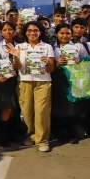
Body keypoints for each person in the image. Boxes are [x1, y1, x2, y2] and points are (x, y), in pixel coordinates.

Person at [9, 21, 55, 152]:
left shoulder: (47, 47)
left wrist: (46, 62)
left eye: (35, 30)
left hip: (43, 82)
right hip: (24, 81)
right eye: (29, 30)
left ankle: (42, 140)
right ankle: (32, 135)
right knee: (27, 112)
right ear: (25, 32)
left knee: (42, 112)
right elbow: (17, 67)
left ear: (40, 32)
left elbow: (51, 69)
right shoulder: (20, 47)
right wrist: (16, 57)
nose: (32, 33)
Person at [51, 24, 89, 144]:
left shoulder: (79, 47)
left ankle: (73, 133)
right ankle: (60, 133)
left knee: (73, 107)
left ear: (71, 34)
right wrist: (57, 64)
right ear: (56, 34)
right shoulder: (51, 47)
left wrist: (79, 64)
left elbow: (88, 62)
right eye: (62, 33)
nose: (65, 36)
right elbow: (48, 66)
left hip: (74, 79)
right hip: (58, 79)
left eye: (68, 33)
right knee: (59, 106)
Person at [0, 22, 19, 147]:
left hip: (19, 79)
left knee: (14, 108)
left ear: (15, 31)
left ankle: (10, 132)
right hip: (3, 80)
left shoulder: (21, 46)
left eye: (10, 29)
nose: (8, 32)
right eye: (5, 30)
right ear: (1, 32)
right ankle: (2, 136)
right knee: (6, 108)